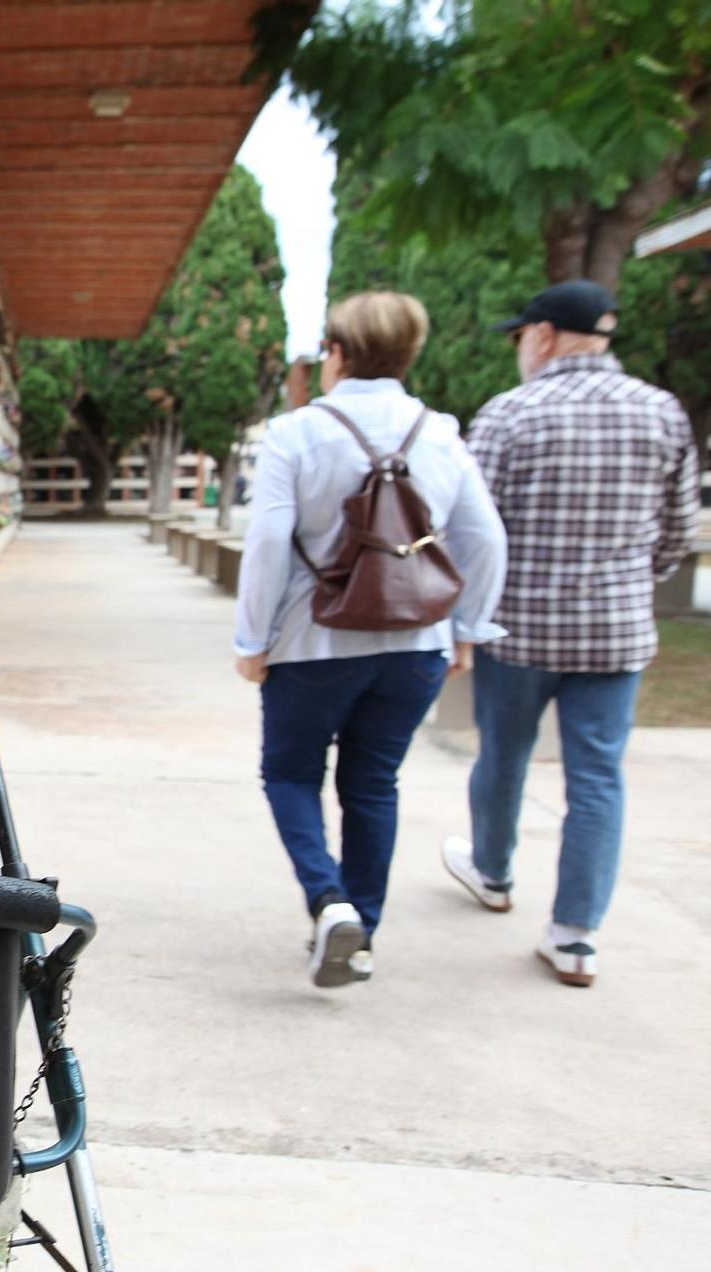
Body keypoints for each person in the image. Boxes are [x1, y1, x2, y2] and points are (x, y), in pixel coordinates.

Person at [235, 292, 508, 988]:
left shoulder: (296, 433)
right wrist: (468, 629)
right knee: (373, 781)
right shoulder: (440, 432)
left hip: (313, 638)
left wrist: (253, 638)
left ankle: (329, 902)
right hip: (417, 642)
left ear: (337, 352)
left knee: (292, 773)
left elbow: (267, 542)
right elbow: (486, 539)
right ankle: (363, 933)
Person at [441, 280, 702, 987]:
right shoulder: (661, 412)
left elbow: (472, 530)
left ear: (545, 335)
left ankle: (492, 871)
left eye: (520, 336)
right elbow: (678, 529)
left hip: (520, 629)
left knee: (504, 755)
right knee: (597, 776)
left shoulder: (509, 414)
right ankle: (575, 934)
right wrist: (628, 578)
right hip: (616, 635)